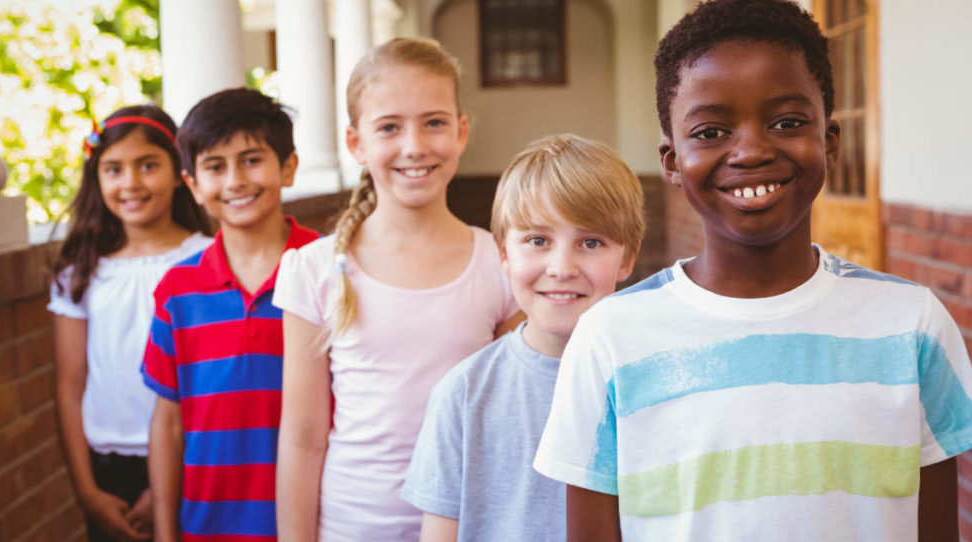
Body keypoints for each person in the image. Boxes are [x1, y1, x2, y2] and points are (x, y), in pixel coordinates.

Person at [533, 1, 972, 541]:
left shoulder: (912, 325)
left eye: (786, 122)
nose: (750, 151)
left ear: (830, 141)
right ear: (671, 161)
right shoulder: (612, 337)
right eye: (711, 131)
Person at [272, 37, 522, 542]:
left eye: (434, 122)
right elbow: (301, 439)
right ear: (356, 143)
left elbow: (509, 422)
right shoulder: (314, 269)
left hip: (471, 527)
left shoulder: (501, 264)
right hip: (351, 527)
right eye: (389, 127)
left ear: (462, 130)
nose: (415, 146)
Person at [402, 134, 645, 542]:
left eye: (590, 242)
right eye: (538, 241)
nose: (562, 267)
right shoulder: (463, 394)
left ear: (628, 257)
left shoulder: (656, 379)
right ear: (503, 254)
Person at [140, 88, 319, 542]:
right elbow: (168, 422)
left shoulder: (329, 270)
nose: (236, 180)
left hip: (317, 524)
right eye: (216, 167)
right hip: (206, 527)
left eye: (252, 159)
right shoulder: (177, 291)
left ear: (289, 167)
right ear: (194, 185)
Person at [50, 105, 212, 542]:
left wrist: (164, 493)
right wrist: (86, 492)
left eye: (147, 165)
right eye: (114, 169)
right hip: (109, 470)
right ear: (96, 178)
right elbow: (70, 385)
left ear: (180, 171)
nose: (131, 183)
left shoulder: (208, 258)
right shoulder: (81, 271)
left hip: (197, 458)